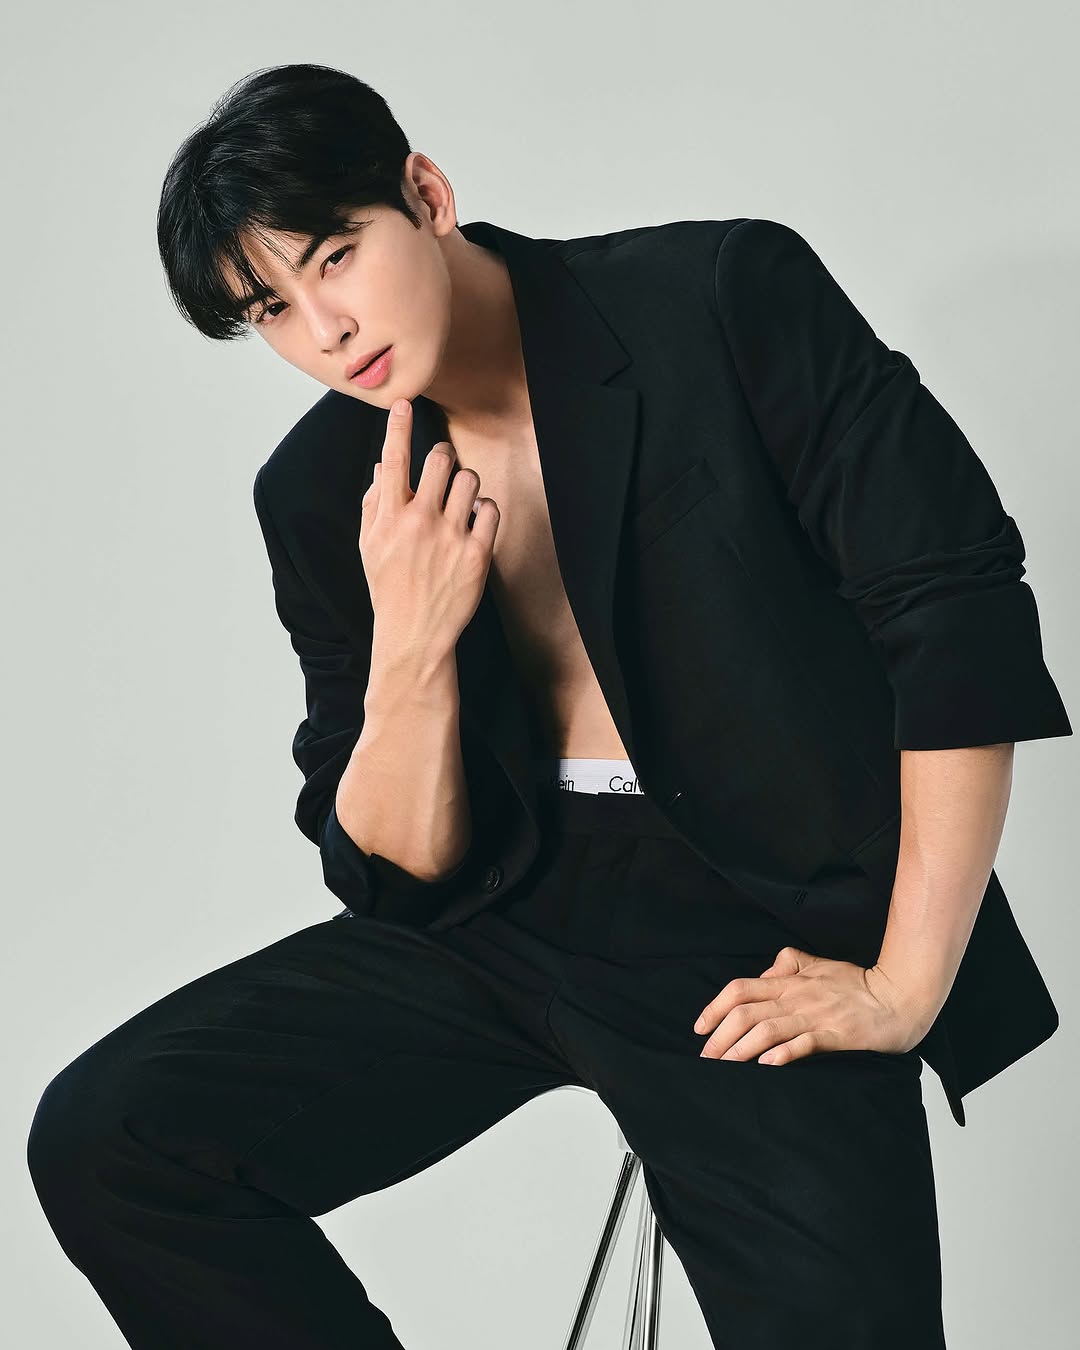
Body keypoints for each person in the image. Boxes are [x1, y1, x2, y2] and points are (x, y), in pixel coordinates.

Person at [26, 62, 1071, 1349]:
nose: (326, 332)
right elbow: (391, 868)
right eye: (273, 312)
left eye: (337, 257)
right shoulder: (320, 492)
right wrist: (411, 643)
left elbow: (954, 612)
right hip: (502, 909)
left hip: (758, 918)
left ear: (427, 193)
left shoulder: (718, 296)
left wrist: (906, 985)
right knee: (114, 1140)